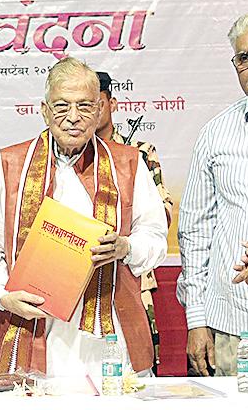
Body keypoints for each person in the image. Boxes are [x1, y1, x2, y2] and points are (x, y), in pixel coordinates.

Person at [0, 57, 167, 377]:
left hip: (109, 336)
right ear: (44, 110)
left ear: (99, 111)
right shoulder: (8, 165)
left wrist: (126, 247)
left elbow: (155, 236)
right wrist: (4, 295)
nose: (73, 117)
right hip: (33, 327)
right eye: (62, 106)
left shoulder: (128, 164)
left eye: (84, 106)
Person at [177, 10, 248, 377]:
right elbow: (195, 232)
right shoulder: (216, 134)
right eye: (244, 58)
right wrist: (196, 320)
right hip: (236, 327)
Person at [95, 71, 173, 368]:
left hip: (133, 273)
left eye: (97, 103)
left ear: (112, 103)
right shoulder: (70, 156)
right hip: (85, 272)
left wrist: (124, 231)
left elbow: (162, 212)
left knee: (139, 361)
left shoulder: (138, 153)